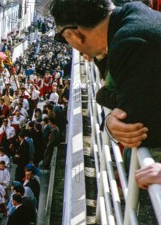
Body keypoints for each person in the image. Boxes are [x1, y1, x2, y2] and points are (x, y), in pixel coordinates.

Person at [50, 0, 161, 148]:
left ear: (73, 34)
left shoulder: (128, 43)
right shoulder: (133, 11)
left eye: (64, 38)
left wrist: (108, 123)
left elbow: (135, 128)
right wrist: (100, 56)